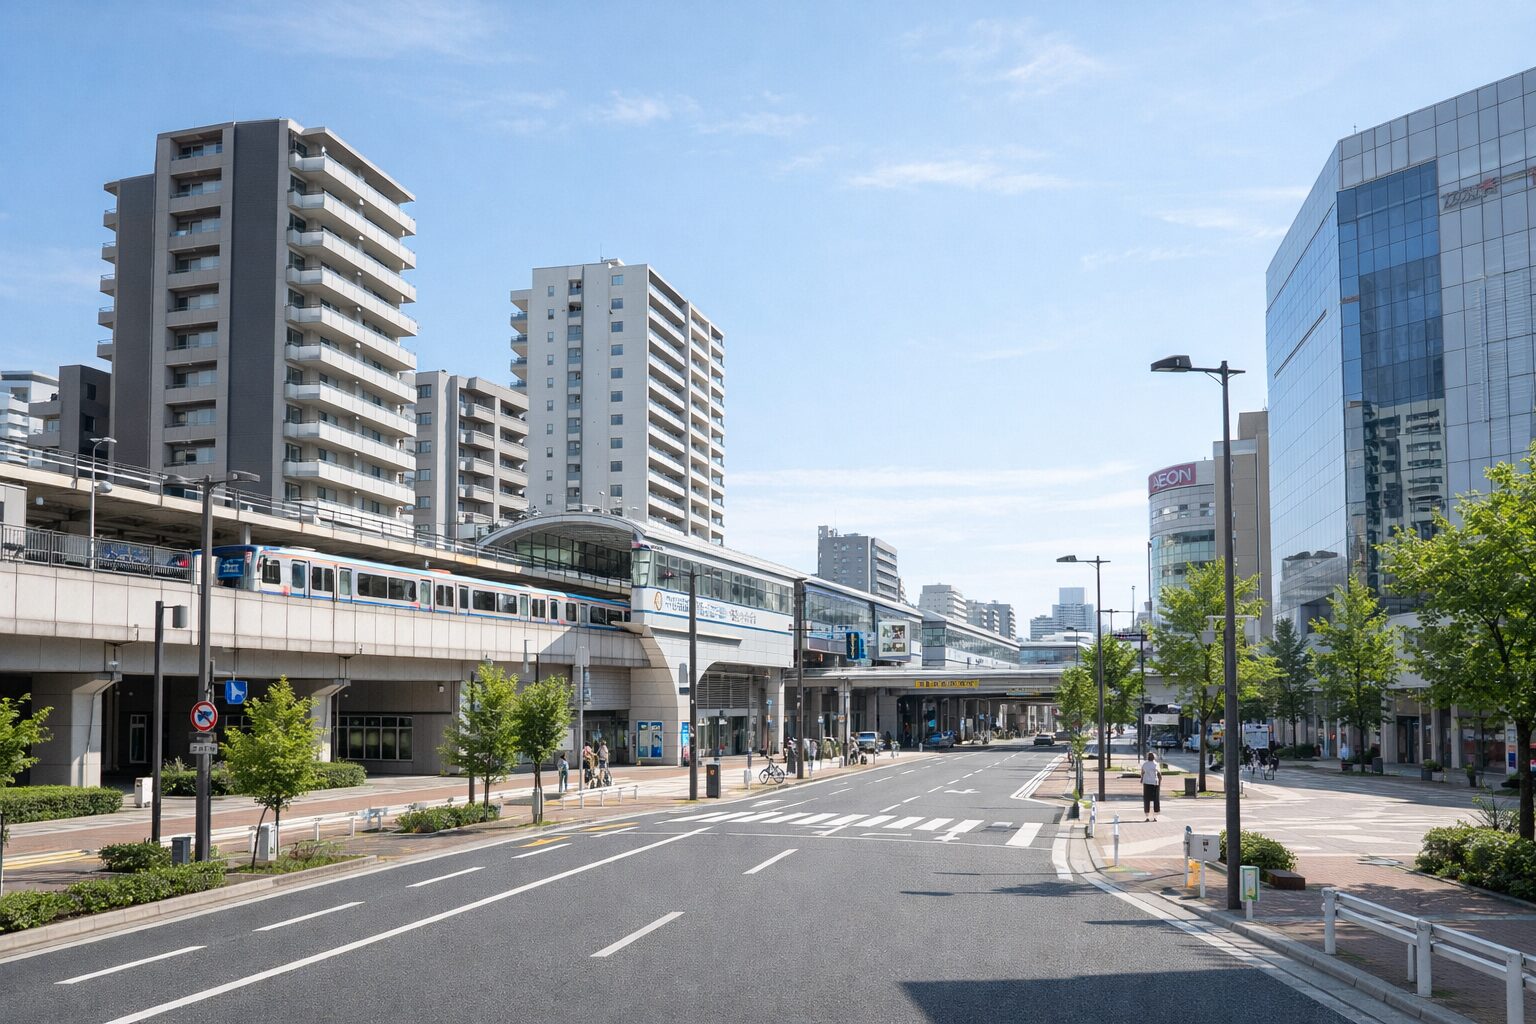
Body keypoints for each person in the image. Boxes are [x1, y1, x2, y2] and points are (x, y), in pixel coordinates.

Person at [1141, 751, 1162, 821]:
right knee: (1156, 800)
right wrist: (1160, 783)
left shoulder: (1145, 764)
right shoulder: (1156, 764)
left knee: (1146, 800)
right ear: (1154, 757)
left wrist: (1141, 779)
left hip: (1146, 783)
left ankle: (1147, 816)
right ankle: (1155, 817)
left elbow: (1142, 772)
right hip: (1154, 784)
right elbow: (1159, 774)